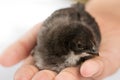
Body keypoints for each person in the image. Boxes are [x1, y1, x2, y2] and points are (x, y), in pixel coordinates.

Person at [0, 0, 120, 80]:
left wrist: (111, 13)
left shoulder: (91, 33)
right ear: (67, 46)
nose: (94, 50)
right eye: (80, 46)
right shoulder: (46, 38)